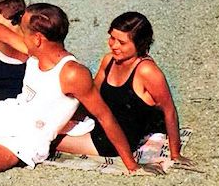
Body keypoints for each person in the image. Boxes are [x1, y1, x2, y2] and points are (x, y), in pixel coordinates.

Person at [0, 2, 164, 177]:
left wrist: (131, 165)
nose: (19, 35)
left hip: (24, 141)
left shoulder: (72, 73)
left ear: (38, 38)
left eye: (24, 31)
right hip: (4, 114)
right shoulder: (35, 52)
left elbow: (105, 117)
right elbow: (1, 33)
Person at [53, 12, 193, 167]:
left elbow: (169, 110)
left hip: (113, 142)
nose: (114, 45)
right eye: (112, 38)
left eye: (122, 42)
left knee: (45, 139)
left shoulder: (147, 71)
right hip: (99, 124)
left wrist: (175, 153)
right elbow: (92, 95)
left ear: (139, 44)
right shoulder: (109, 60)